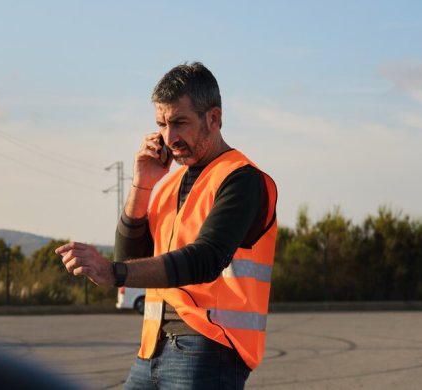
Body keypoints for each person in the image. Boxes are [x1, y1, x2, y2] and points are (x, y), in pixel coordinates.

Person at [56, 62, 277, 389]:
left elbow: (206, 259)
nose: (169, 137)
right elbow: (129, 255)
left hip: (207, 348)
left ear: (213, 119)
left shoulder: (241, 179)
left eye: (179, 123)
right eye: (161, 124)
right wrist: (142, 184)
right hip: (151, 347)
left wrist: (112, 271)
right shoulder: (169, 185)